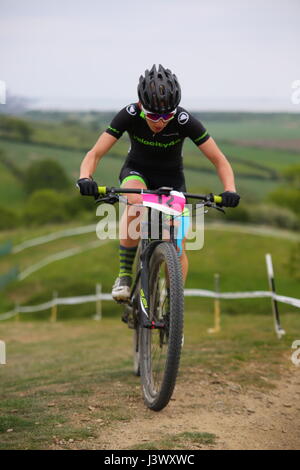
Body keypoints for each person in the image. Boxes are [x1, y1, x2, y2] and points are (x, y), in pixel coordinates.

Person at [77, 64, 240, 301]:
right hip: (137, 172)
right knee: (134, 202)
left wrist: (230, 190)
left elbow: (219, 160)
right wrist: (85, 177)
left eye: (167, 115)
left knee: (177, 244)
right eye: (154, 115)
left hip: (172, 179)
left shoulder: (184, 120)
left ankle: (174, 307)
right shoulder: (130, 114)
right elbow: (95, 153)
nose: (161, 121)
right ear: (141, 106)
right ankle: (124, 275)